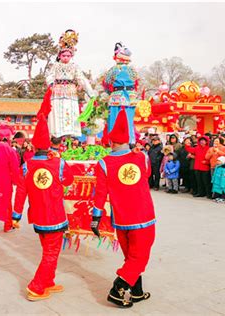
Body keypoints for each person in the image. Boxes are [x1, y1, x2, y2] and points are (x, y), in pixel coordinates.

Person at [91, 109, 155, 308]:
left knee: (130, 255)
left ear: (111, 141)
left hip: (121, 219)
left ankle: (136, 292)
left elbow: (99, 194)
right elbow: (146, 175)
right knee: (140, 256)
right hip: (143, 216)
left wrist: (95, 217)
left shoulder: (103, 163)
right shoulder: (141, 157)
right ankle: (118, 288)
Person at [13, 115, 73, 301]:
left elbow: (21, 191)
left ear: (34, 146)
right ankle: (37, 287)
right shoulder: (58, 163)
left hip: (38, 216)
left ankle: (48, 281)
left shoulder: (27, 166)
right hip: (55, 215)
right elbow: (68, 180)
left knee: (48, 249)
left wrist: (16, 215)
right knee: (51, 252)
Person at [39, 29, 96, 137]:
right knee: (57, 112)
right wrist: (51, 84)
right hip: (57, 90)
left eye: (68, 56)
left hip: (70, 91)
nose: (65, 57)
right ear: (60, 56)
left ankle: (70, 135)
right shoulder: (55, 65)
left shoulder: (74, 66)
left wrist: (90, 92)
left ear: (71, 56)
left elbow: (82, 79)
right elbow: (50, 76)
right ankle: (56, 135)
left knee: (70, 112)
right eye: (63, 55)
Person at [102, 42, 140, 144]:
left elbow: (106, 83)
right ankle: (130, 141)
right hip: (130, 98)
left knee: (114, 121)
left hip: (116, 97)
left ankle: (113, 142)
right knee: (128, 121)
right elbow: (136, 83)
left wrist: (108, 92)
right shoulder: (133, 70)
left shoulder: (114, 69)